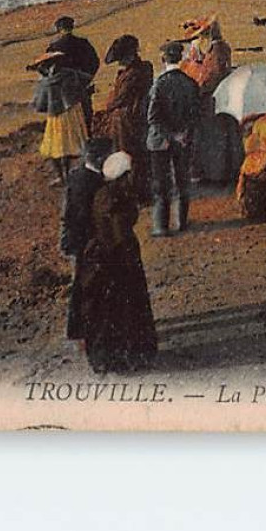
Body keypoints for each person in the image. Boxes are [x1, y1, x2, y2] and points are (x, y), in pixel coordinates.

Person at [64, 150, 158, 375]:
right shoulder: (113, 198)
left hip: (105, 262)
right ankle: (122, 358)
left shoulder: (106, 194)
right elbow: (118, 235)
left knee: (108, 313)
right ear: (123, 176)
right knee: (119, 312)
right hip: (115, 263)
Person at [145, 40, 200, 237]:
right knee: (182, 180)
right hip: (183, 140)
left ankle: (161, 226)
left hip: (160, 142)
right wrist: (183, 134)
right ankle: (182, 222)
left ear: (162, 59)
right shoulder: (190, 83)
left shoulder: (159, 84)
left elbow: (152, 118)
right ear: (181, 58)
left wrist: (170, 135)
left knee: (161, 183)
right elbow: (195, 115)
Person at [91, 34, 154, 197]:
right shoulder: (145, 67)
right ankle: (139, 190)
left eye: (122, 59)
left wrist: (108, 106)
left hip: (127, 118)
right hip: (135, 115)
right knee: (136, 153)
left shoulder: (132, 73)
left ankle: (134, 191)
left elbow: (121, 98)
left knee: (127, 152)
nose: (120, 63)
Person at [180, 17, 239, 184]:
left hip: (212, 97)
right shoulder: (217, 48)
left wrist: (199, 87)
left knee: (211, 136)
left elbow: (213, 75)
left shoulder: (218, 50)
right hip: (213, 95)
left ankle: (215, 174)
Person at [30, 50, 91, 184]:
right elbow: (87, 79)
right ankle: (69, 174)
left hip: (59, 117)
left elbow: (39, 104)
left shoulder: (47, 82)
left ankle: (64, 176)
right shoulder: (70, 74)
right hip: (70, 113)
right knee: (68, 146)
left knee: (56, 148)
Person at [47, 15, 100, 127]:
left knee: (67, 121)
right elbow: (95, 62)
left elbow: (48, 69)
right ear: (72, 27)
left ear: (58, 29)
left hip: (64, 90)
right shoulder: (83, 43)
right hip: (82, 85)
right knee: (85, 116)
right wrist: (86, 78)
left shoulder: (54, 47)